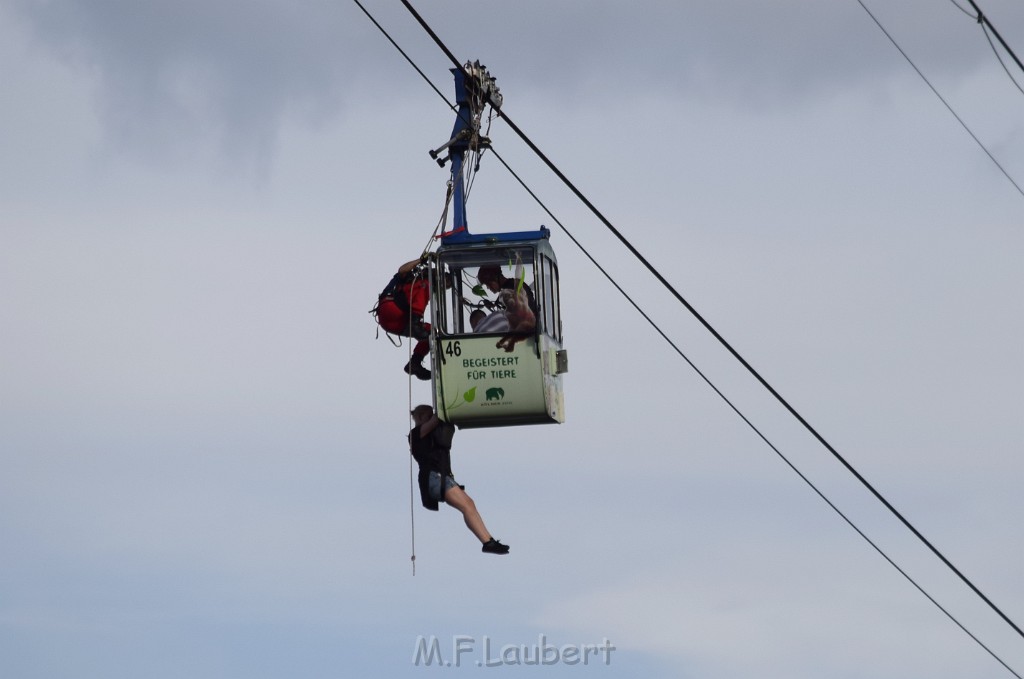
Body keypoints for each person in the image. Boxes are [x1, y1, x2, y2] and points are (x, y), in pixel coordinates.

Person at [409, 404, 510, 555]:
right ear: (421, 417)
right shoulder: (416, 433)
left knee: (469, 504)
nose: (431, 418)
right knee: (467, 505)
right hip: (434, 477)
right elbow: (438, 418)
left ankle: (489, 541)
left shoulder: (427, 432)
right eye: (428, 416)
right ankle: (487, 542)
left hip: (439, 477)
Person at [375, 258, 432, 380]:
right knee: (425, 285)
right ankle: (415, 323)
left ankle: (415, 362)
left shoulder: (416, 288)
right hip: (391, 308)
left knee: (432, 332)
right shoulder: (409, 280)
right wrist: (421, 259)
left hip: (396, 322)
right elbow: (402, 269)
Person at [476, 265, 536, 352]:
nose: (489, 288)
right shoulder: (510, 285)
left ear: (495, 279)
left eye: (488, 284)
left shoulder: (511, 288)